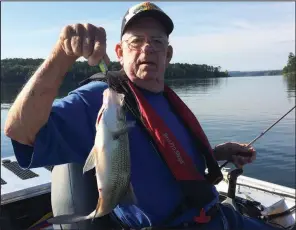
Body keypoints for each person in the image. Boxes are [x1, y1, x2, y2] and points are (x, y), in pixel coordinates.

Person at [4, 2, 283, 230]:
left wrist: (216, 153)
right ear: (119, 52)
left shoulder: (167, 100)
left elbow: (165, 161)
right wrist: (62, 55)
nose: (147, 48)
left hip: (222, 218)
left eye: (157, 42)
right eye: (136, 41)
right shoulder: (102, 96)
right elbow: (20, 131)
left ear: (168, 54)